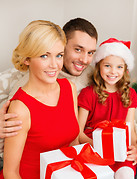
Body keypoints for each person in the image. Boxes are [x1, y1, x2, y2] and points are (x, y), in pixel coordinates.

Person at [0, 20, 123, 179]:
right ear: (27, 58)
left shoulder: (69, 88)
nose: (54, 65)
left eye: (58, 55)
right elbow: (10, 172)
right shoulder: (20, 107)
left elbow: (73, 139)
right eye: (44, 56)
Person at [0, 18, 97, 164]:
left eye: (90, 53)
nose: (84, 59)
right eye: (78, 49)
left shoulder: (89, 75)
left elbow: (121, 96)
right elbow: (9, 149)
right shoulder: (25, 88)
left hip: (68, 161)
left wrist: (134, 140)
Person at [78, 38, 137, 179]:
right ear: (99, 66)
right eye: (108, 65)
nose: (113, 71)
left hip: (120, 152)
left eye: (119, 66)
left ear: (125, 69)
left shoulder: (129, 94)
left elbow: (129, 128)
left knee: (126, 178)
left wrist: (134, 148)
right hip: (95, 151)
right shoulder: (88, 94)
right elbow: (78, 133)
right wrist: (97, 143)